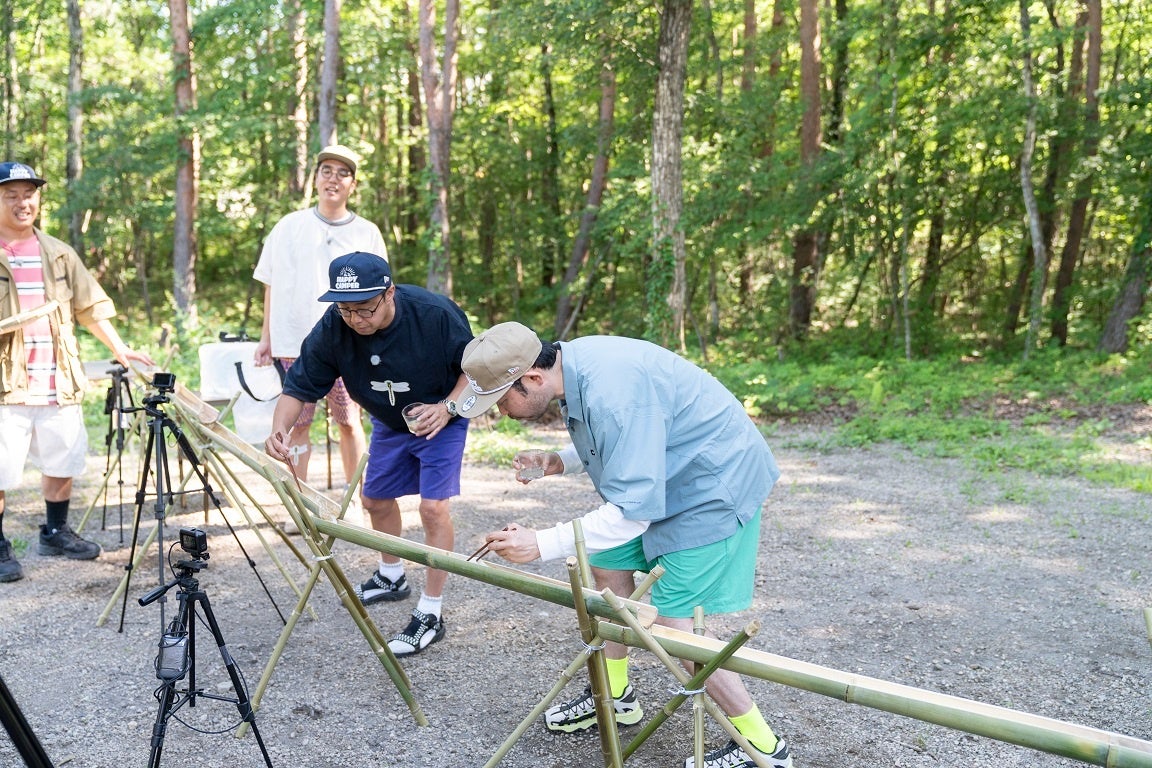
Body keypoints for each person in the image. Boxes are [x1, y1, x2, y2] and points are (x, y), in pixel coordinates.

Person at [460, 322, 793, 768]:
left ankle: (764, 747)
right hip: (670, 479)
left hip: (711, 485)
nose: (500, 411)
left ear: (533, 378)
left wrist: (542, 542)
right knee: (607, 563)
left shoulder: (612, 392)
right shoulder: (574, 367)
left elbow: (632, 507)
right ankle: (615, 696)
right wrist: (561, 460)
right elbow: (629, 440)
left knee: (676, 626)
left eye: (502, 399)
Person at [264, 250, 473, 657]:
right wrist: (279, 429)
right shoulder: (334, 327)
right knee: (374, 499)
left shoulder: (434, 314)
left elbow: (477, 370)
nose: (356, 319)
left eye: (365, 309)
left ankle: (431, 611)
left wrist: (447, 408)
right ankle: (392, 576)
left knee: (432, 510)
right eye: (346, 310)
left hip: (441, 415)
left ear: (389, 292)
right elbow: (298, 386)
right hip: (390, 421)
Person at [0, 160, 155, 583]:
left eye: (28, 193)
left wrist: (121, 350)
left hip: (56, 378)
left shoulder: (59, 254)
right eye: (10, 194)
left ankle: (55, 532)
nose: (22, 202)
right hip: (4, 384)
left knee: (62, 458)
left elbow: (89, 308)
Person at [253, 144, 386, 489]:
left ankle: (355, 497)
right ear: (315, 178)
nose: (333, 179)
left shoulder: (366, 232)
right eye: (326, 170)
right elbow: (270, 283)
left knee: (349, 420)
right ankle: (300, 502)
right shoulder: (288, 226)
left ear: (352, 184)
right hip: (294, 341)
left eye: (343, 173)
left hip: (349, 343)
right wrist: (266, 338)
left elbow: (382, 291)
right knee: (297, 423)